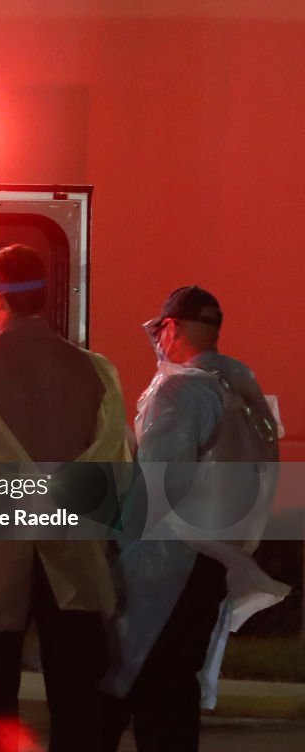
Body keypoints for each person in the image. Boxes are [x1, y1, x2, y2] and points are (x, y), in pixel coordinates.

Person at [0, 243, 129, 752]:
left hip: (0, 553)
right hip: (77, 555)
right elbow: (115, 465)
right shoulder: (97, 370)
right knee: (76, 697)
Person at [100, 286, 285, 752]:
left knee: (132, 691)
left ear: (171, 328)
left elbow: (153, 491)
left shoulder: (180, 391)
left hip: (165, 569)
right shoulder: (240, 394)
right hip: (210, 564)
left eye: (160, 330)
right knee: (174, 694)